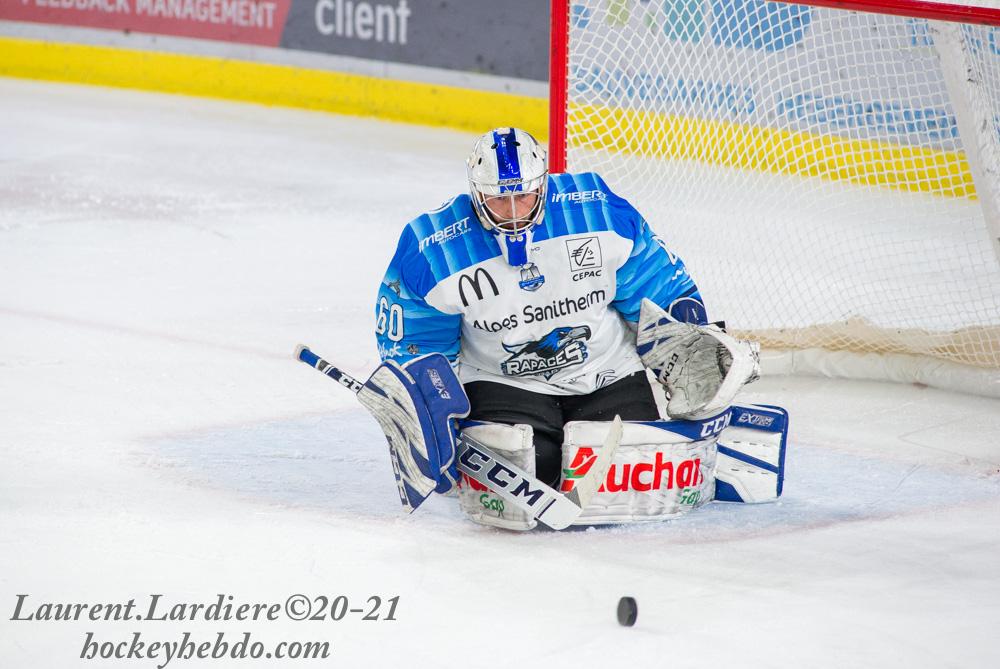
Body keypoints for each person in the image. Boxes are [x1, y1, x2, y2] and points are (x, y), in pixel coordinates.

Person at [373, 127, 758, 491]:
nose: (512, 211)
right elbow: (415, 339)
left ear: (542, 184)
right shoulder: (434, 249)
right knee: (527, 471)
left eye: (522, 196)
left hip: (606, 370)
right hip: (503, 381)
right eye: (497, 199)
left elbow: (658, 286)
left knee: (625, 470)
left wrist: (689, 338)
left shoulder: (598, 215)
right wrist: (428, 403)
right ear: (475, 194)